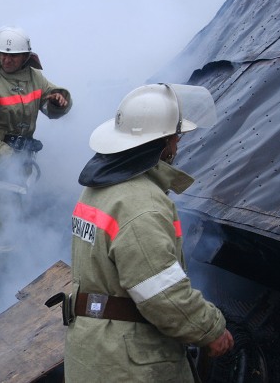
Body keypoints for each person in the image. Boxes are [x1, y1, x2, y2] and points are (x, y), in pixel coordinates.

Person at [63, 83, 234, 382]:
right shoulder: (141, 204)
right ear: (165, 141)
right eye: (176, 138)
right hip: (130, 363)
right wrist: (210, 329)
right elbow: (162, 295)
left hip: (92, 350)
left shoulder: (96, 190)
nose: (177, 146)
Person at [0, 26, 72, 259]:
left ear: (25, 57)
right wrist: (9, 158)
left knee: (11, 222)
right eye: (2, 54)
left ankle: (0, 270)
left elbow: (48, 105)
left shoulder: (34, 78)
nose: (7, 59)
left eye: (13, 55)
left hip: (19, 166)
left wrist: (58, 102)